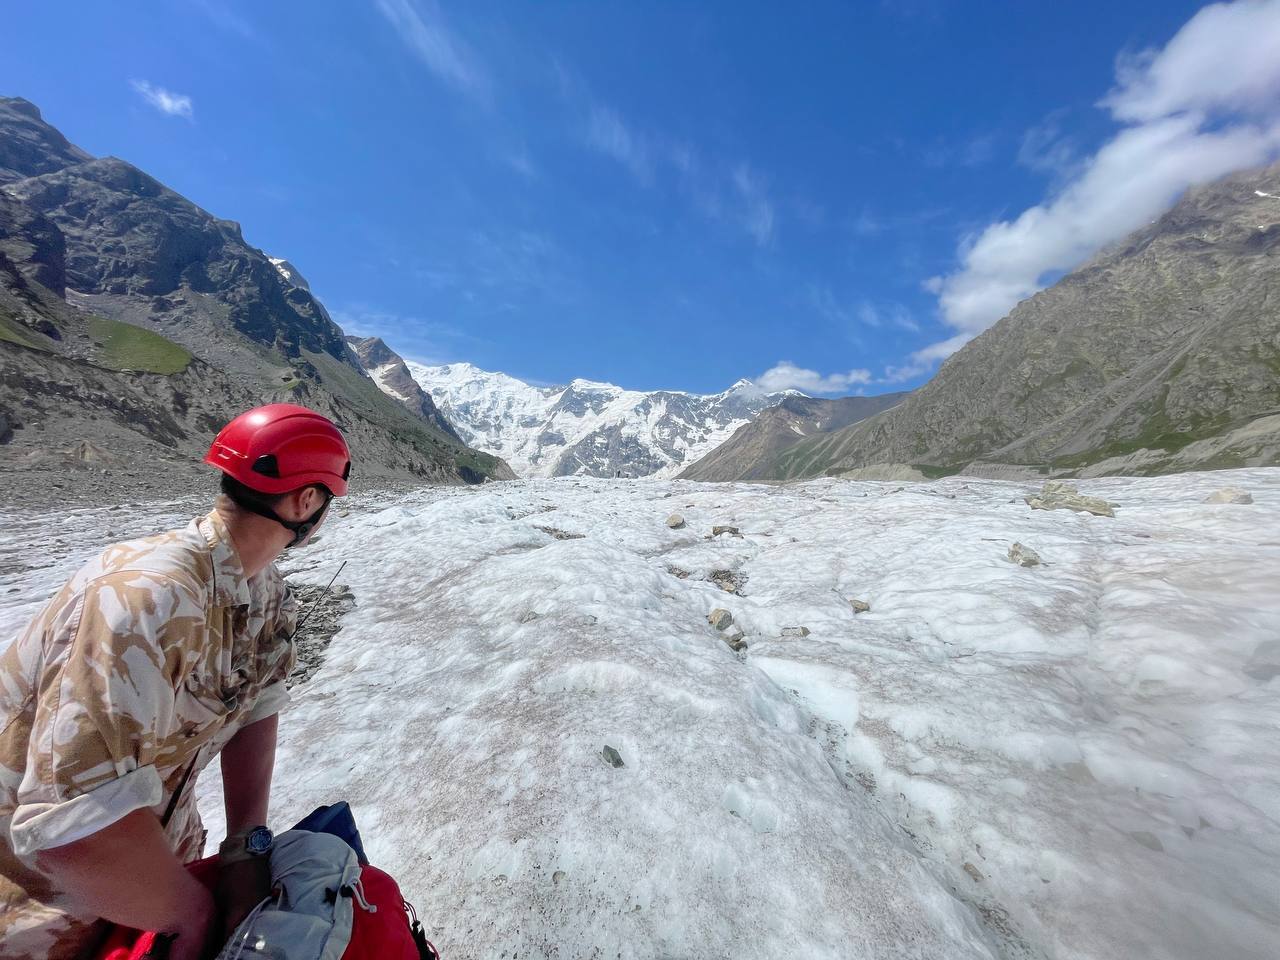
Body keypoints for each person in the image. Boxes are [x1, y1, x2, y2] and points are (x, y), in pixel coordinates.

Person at [0, 404, 351, 960]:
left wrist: (245, 849)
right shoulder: (147, 599)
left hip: (151, 871)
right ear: (307, 500)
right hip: (33, 903)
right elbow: (74, 833)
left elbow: (256, 707)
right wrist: (194, 914)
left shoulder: (264, 592)